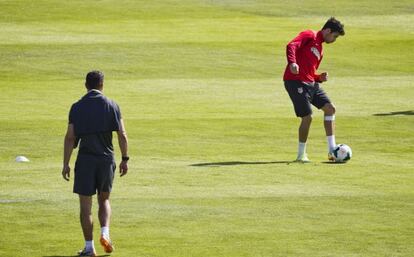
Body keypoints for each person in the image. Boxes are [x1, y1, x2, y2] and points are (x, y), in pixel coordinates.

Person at [62, 71, 129, 256]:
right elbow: (122, 134)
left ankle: (89, 247)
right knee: (104, 199)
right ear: (102, 85)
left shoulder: (77, 107)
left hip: (85, 161)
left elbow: (70, 137)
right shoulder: (112, 105)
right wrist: (125, 159)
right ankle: (105, 233)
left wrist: (66, 163)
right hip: (106, 159)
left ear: (86, 85)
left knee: (85, 206)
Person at [283, 17, 345, 162]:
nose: (334, 40)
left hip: (310, 83)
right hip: (295, 81)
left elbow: (309, 72)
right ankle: (301, 155)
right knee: (307, 117)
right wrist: (292, 62)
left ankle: (332, 150)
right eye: (334, 36)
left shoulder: (320, 50)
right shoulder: (309, 35)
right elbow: (291, 45)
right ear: (328, 30)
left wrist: (319, 78)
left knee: (330, 109)